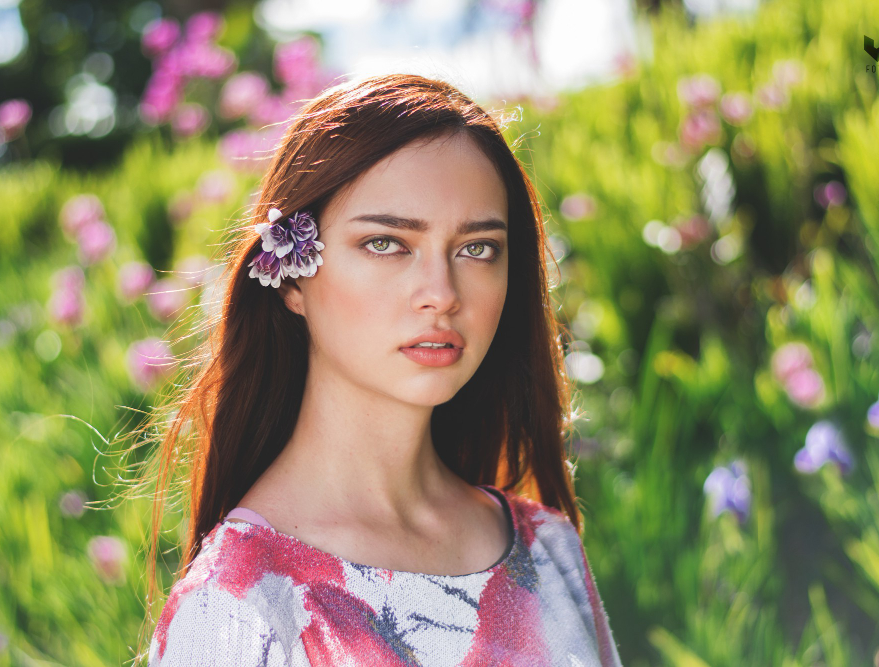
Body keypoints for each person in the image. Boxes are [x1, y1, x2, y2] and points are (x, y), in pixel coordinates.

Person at [138, 72, 623, 666]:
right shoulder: (238, 608)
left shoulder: (549, 549)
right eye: (387, 243)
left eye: (477, 248)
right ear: (291, 275)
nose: (441, 294)